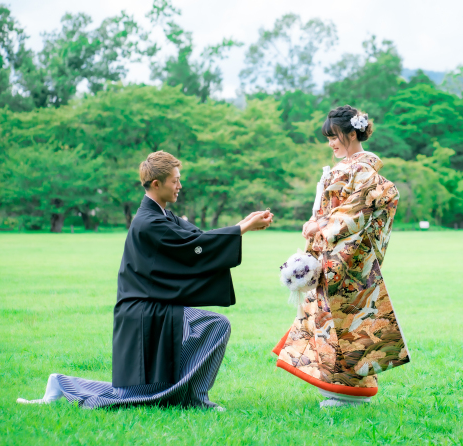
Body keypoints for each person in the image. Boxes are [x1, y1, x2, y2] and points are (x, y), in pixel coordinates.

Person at [18, 150, 273, 410]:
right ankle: (194, 398)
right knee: (139, 392)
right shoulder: (148, 221)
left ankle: (63, 383)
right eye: (175, 181)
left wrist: (245, 223)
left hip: (153, 306)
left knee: (142, 391)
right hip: (143, 311)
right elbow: (192, 247)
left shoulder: (161, 215)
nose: (179, 186)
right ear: (156, 184)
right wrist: (243, 228)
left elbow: (198, 238)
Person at [272, 105, 410, 408]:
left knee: (344, 324)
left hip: (344, 258)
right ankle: (339, 392)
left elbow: (357, 211)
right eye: (329, 138)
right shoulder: (349, 169)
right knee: (334, 323)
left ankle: (345, 395)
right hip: (333, 256)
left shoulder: (362, 171)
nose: (332, 143)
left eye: (335, 137)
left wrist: (319, 226)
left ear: (351, 133)